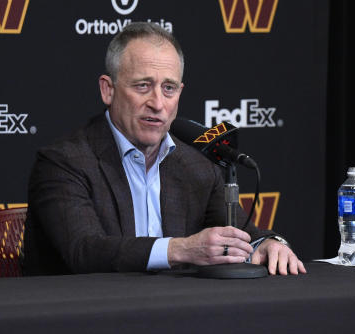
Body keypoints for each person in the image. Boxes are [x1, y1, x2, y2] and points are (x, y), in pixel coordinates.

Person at [22, 22, 305, 276]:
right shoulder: (64, 162)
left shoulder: (197, 163)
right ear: (108, 90)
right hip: (84, 320)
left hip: (173, 317)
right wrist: (179, 250)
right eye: (143, 86)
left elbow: (245, 234)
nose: (157, 103)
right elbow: (84, 251)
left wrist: (268, 243)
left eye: (168, 88)